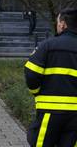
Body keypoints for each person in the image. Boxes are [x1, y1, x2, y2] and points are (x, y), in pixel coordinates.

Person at [24, 8, 77, 146]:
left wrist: (36, 93)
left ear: (63, 24)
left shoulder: (47, 45)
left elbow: (31, 73)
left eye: (58, 22)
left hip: (49, 112)